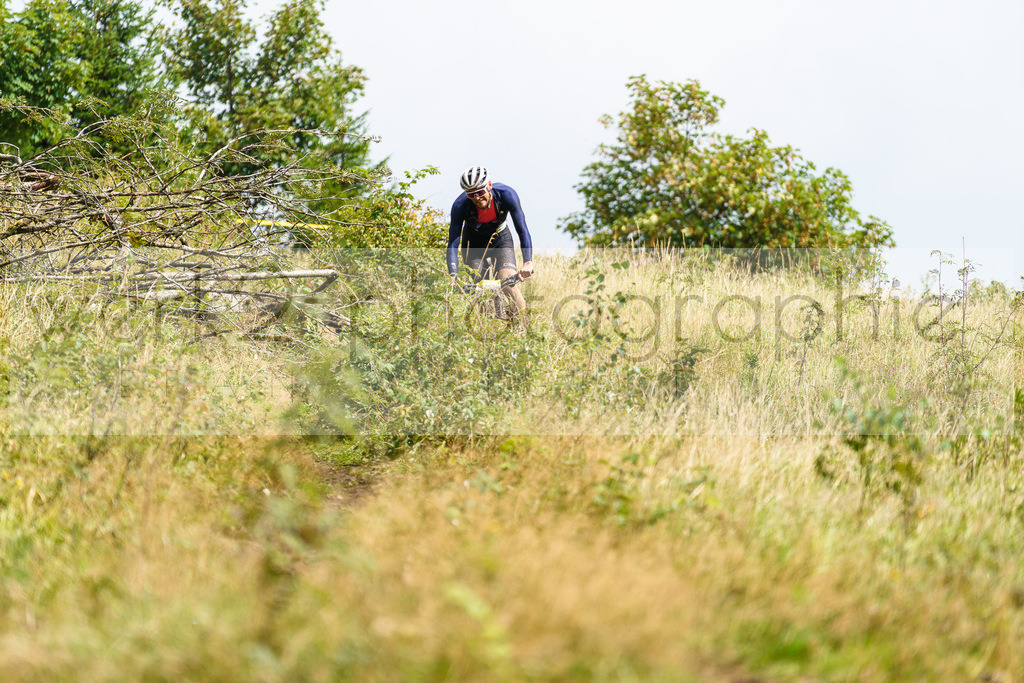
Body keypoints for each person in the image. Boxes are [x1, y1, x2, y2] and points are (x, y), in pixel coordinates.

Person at [447, 166, 534, 321]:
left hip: (501, 238)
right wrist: (453, 274)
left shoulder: (507, 194)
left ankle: (524, 328)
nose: (477, 198)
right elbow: (453, 242)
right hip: (473, 243)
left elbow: (522, 230)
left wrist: (528, 261)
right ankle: (487, 330)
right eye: (471, 194)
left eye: (480, 192)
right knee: (480, 286)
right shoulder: (460, 205)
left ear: (490, 186)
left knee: (507, 279)